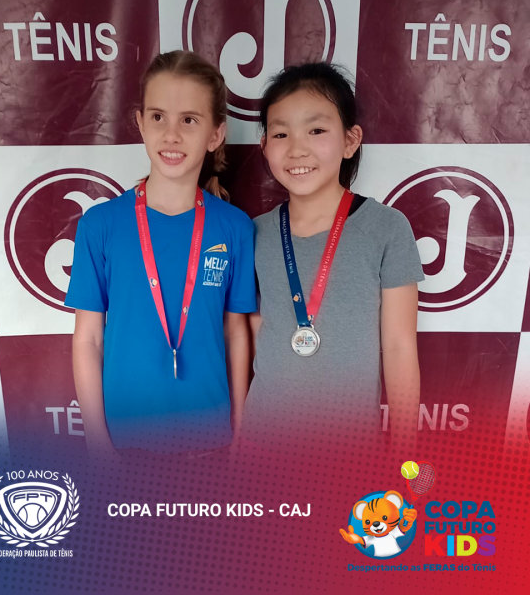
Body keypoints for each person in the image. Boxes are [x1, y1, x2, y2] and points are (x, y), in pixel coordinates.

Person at [65, 51, 256, 459]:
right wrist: (99, 447)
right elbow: (88, 339)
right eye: (158, 117)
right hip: (125, 446)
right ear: (140, 124)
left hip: (211, 442)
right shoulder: (100, 225)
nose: (171, 135)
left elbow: (235, 332)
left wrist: (239, 433)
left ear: (216, 134)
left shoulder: (235, 227)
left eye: (189, 120)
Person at [242, 63, 424, 455]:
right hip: (263, 445)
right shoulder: (254, 233)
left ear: (350, 140)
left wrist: (405, 453)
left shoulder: (386, 228)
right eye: (281, 134)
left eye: (316, 130)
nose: (297, 149)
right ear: (265, 146)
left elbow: (398, 347)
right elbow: (256, 334)